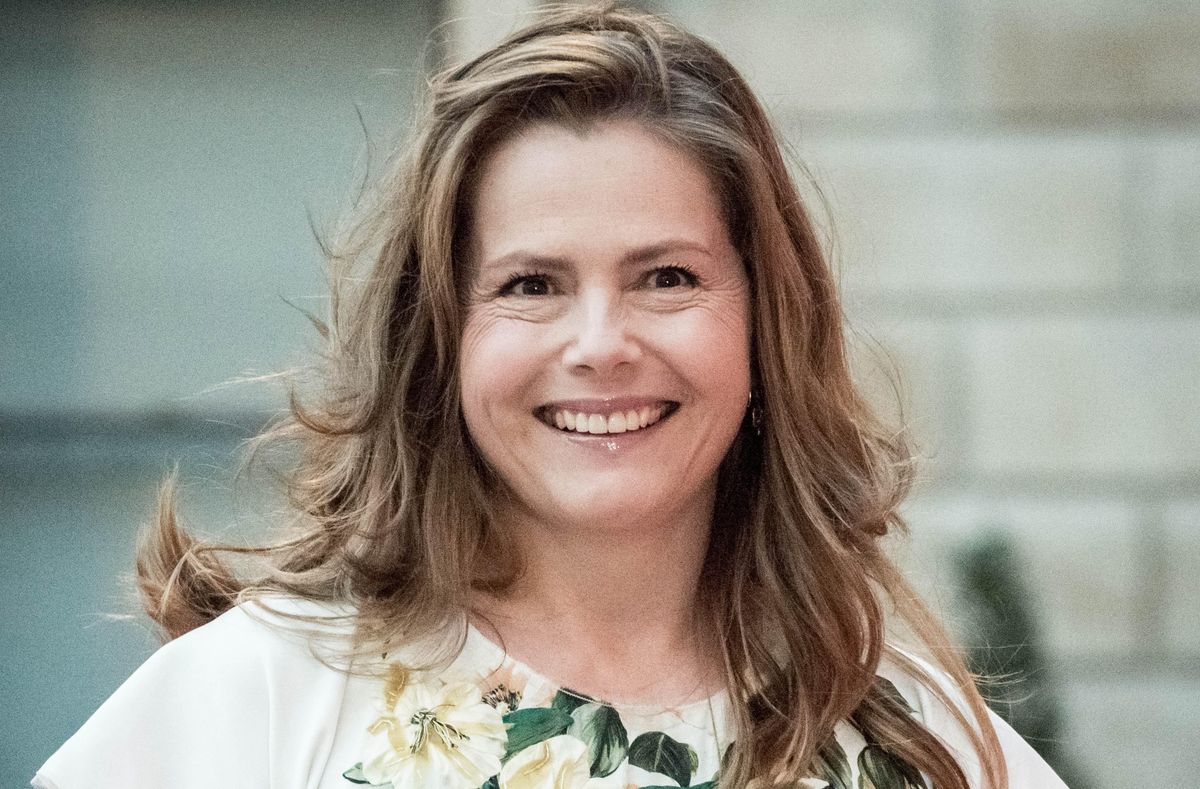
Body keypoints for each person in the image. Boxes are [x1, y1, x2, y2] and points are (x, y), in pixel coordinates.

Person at [34, 5, 1069, 788]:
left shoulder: (917, 745)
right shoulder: (257, 701)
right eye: (531, 285)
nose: (601, 345)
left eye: (667, 277)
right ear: (440, 341)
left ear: (765, 324)